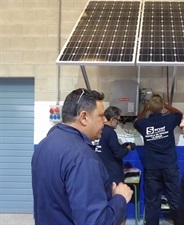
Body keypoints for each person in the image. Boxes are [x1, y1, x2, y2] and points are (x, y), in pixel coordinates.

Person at [31, 88, 133, 225]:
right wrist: (120, 198)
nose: (104, 120)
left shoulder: (45, 144)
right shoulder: (83, 157)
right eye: (100, 115)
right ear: (84, 117)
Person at [134, 94, 182, 225]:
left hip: (152, 169)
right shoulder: (169, 120)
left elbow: (136, 121)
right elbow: (179, 114)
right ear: (161, 107)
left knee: (152, 202)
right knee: (174, 199)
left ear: (149, 106)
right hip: (170, 166)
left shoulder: (143, 123)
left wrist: (145, 109)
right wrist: (165, 105)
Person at [95, 106, 136, 184]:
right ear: (112, 119)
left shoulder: (98, 130)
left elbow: (108, 148)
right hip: (112, 175)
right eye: (118, 120)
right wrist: (129, 147)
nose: (118, 122)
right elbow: (118, 154)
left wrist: (123, 146)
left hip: (101, 173)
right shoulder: (110, 132)